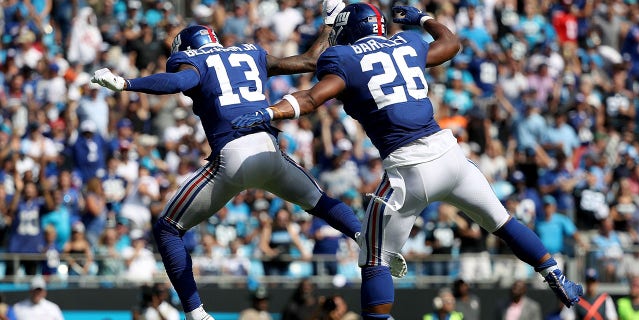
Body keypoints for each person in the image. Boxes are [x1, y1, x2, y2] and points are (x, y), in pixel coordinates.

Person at [231, 4, 584, 319]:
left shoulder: (344, 59)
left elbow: (310, 98)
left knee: (373, 260)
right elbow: (451, 44)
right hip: (450, 156)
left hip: (407, 170)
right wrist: (424, 18)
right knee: (503, 222)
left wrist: (269, 110)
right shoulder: (408, 42)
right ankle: (556, 275)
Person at [89, 1, 405, 319]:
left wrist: (128, 83)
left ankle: (195, 312)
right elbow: (311, 60)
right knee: (320, 202)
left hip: (234, 155)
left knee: (167, 229)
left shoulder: (193, 60)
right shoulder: (249, 53)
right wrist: (328, 22)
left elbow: (178, 83)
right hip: (270, 151)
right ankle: (368, 241)